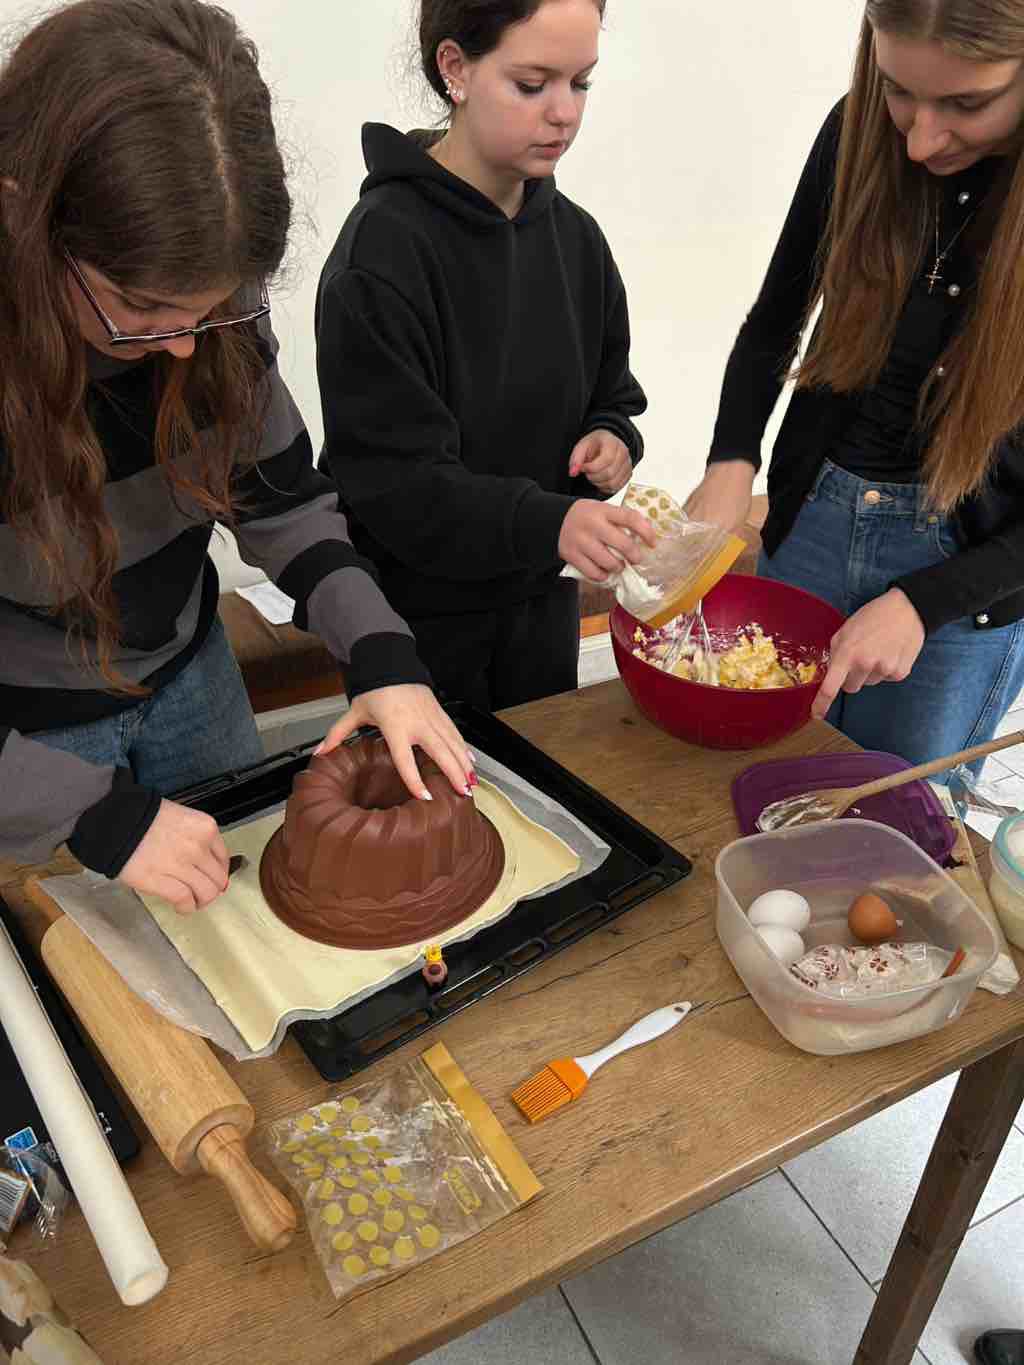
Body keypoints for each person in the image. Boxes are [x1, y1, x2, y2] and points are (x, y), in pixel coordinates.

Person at [0, 0, 474, 915]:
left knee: (239, 922)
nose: (183, 347)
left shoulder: (209, 310)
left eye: (209, 309)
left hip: (190, 674)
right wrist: (93, 814)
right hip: (24, 737)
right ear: (24, 217)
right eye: (142, 310)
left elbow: (282, 501)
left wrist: (382, 653)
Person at [685, 0, 1024, 770]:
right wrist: (732, 460)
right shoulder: (855, 130)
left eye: (967, 104)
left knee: (895, 813)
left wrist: (924, 603)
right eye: (898, 90)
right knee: (762, 780)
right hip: (815, 517)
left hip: (967, 578)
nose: (920, 140)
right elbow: (776, 318)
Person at [314, 0, 657, 713]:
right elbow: (400, 485)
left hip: (540, 606)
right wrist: (551, 522)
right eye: (532, 84)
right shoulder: (381, 255)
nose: (564, 113)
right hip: (414, 627)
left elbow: (613, 393)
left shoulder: (578, 241)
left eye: (581, 82)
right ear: (455, 68)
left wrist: (612, 438)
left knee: (536, 781)